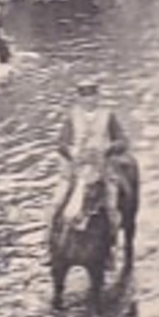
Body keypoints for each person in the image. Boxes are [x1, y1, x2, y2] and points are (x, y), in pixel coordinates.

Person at [49, 79, 129, 244]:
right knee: (55, 204)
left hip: (101, 169)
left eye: (92, 96)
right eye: (84, 96)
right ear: (79, 98)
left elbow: (123, 141)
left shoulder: (108, 115)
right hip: (75, 170)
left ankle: (112, 247)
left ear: (97, 96)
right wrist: (70, 151)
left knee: (112, 207)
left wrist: (109, 148)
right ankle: (48, 243)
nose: (89, 100)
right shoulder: (71, 117)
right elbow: (60, 143)